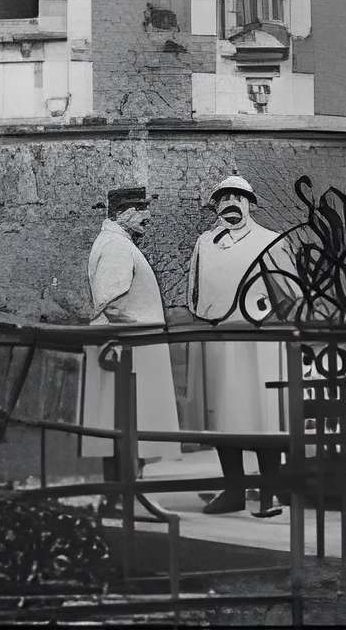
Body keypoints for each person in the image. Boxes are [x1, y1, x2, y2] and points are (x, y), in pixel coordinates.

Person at [187, 175, 286, 516]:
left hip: (259, 344)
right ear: (215, 205)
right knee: (222, 419)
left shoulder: (269, 241)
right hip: (218, 341)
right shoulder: (205, 243)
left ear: (250, 203)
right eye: (223, 197)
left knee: (262, 416)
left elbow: (289, 295)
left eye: (238, 197)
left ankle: (271, 490)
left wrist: (276, 327)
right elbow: (195, 293)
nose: (231, 202)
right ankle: (234, 491)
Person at [80, 185, 181, 484]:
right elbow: (110, 303)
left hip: (128, 351)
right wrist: (135, 337)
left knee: (125, 423)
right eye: (139, 210)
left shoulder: (118, 242)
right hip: (128, 354)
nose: (147, 216)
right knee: (126, 421)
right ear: (120, 214)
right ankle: (125, 494)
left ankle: (124, 493)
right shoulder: (116, 247)